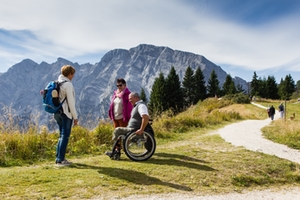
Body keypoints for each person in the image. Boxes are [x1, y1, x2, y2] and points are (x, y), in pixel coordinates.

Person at [105, 92, 153, 157]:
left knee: (117, 130)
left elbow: (145, 117)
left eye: (131, 98)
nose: (129, 100)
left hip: (133, 129)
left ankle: (116, 151)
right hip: (131, 128)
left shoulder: (141, 106)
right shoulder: (137, 106)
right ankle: (116, 151)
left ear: (136, 98)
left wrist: (141, 129)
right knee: (119, 132)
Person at [54, 65, 78, 165]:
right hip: (66, 113)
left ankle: (58, 158)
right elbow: (71, 103)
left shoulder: (58, 82)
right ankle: (61, 159)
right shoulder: (68, 84)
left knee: (61, 135)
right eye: (72, 74)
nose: (73, 76)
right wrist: (75, 117)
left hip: (57, 112)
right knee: (65, 136)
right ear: (69, 74)